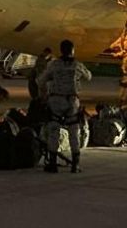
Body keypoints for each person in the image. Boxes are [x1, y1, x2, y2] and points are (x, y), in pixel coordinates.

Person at [39, 39, 92, 173]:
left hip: (56, 100)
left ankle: (52, 164)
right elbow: (89, 76)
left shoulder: (54, 65)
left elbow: (41, 80)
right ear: (72, 50)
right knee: (74, 132)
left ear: (61, 50)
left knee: (53, 132)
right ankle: (75, 165)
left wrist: (45, 94)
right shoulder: (77, 65)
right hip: (72, 101)